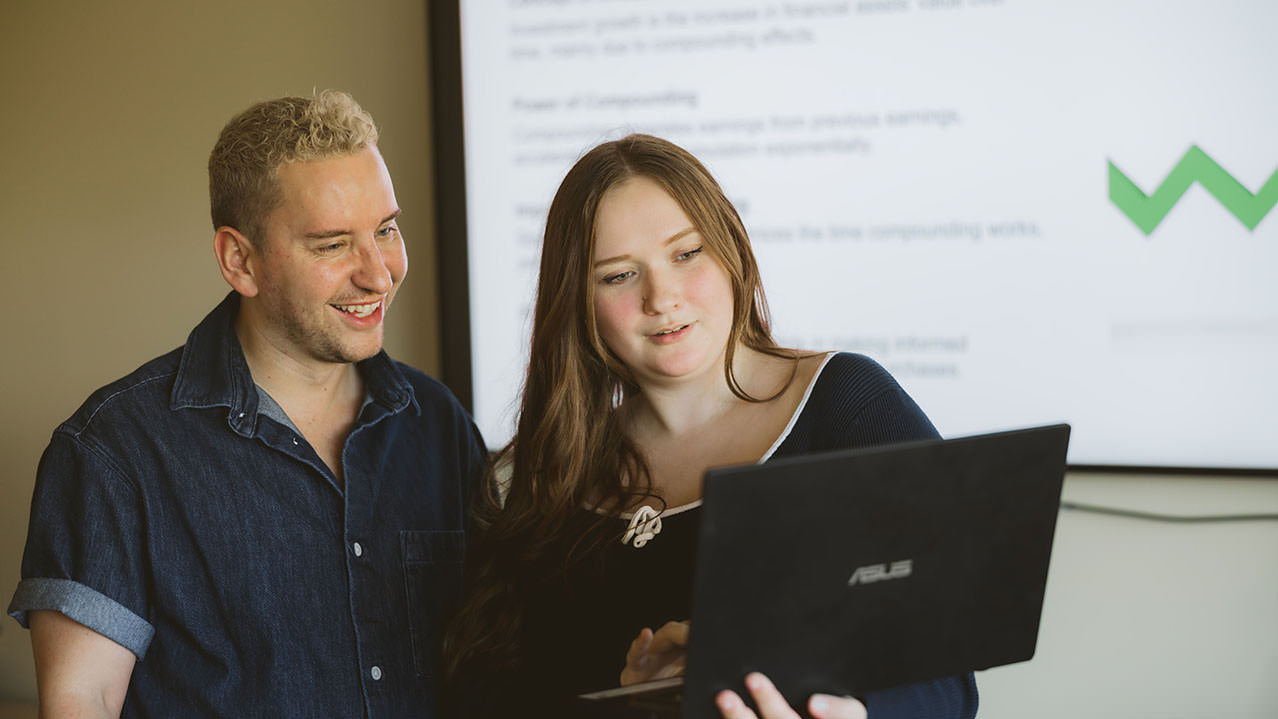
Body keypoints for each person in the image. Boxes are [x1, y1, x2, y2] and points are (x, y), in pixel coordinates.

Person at [443, 133, 978, 718]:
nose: (661, 297)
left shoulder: (846, 404)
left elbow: (947, 680)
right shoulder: (552, 473)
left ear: (731, 252)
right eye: (619, 276)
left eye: (686, 253)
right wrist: (640, 699)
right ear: (580, 304)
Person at [6, 91, 485, 718]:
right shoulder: (114, 453)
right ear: (240, 261)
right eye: (332, 244)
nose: (379, 272)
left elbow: (495, 657)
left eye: (386, 230)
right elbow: (82, 702)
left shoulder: (437, 423)